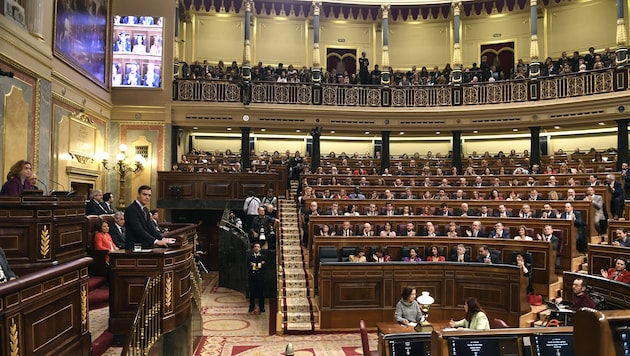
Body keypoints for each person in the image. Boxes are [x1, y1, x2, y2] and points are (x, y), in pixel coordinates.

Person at [248, 242, 266, 314]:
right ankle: (251, 307)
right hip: (252, 277)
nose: (256, 248)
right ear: (253, 248)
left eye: (258, 247)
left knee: (261, 293)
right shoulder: (250, 257)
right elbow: (249, 266)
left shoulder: (263, 257)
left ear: (260, 248)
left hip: (260, 277)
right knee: (252, 293)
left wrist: (254, 265)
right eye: (255, 246)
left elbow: (263, 267)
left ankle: (262, 307)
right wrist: (259, 264)